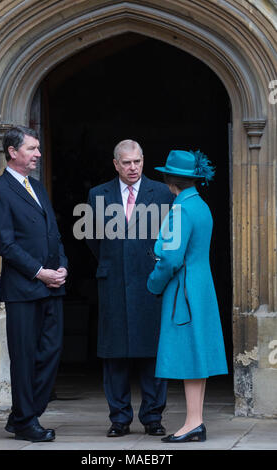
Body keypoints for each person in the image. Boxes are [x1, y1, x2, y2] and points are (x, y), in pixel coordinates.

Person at [0, 126, 68, 443]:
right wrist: (39, 272)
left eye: (37, 148)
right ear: (12, 152)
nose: (38, 154)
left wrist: (61, 266)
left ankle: (22, 414)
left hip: (52, 286)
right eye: (32, 148)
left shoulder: (37, 187)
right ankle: (26, 421)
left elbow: (52, 233)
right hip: (24, 290)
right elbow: (4, 244)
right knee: (24, 357)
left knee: (51, 352)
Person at [86, 139, 174, 437]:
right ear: (116, 164)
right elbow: (93, 240)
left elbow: (169, 238)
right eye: (126, 162)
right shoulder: (98, 194)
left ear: (143, 161)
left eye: (137, 161)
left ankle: (152, 417)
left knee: (152, 352)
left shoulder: (162, 193)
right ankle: (119, 419)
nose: (133, 167)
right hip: (113, 283)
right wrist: (116, 262)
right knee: (115, 354)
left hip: (151, 283)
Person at [147, 149, 228, 443]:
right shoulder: (201, 206)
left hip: (184, 291)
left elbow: (170, 259)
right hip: (201, 287)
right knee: (197, 354)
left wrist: (153, 284)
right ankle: (196, 421)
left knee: (188, 355)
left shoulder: (180, 209)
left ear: (170, 180)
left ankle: (194, 422)